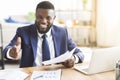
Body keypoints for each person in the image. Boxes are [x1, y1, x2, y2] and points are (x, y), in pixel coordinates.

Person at [3, 1, 84, 68]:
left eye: (48, 18)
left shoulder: (62, 32)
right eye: (40, 17)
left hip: (58, 73)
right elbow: (6, 50)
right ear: (35, 16)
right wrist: (10, 53)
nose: (43, 21)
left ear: (54, 18)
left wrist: (74, 58)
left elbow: (79, 53)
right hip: (31, 74)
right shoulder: (23, 32)